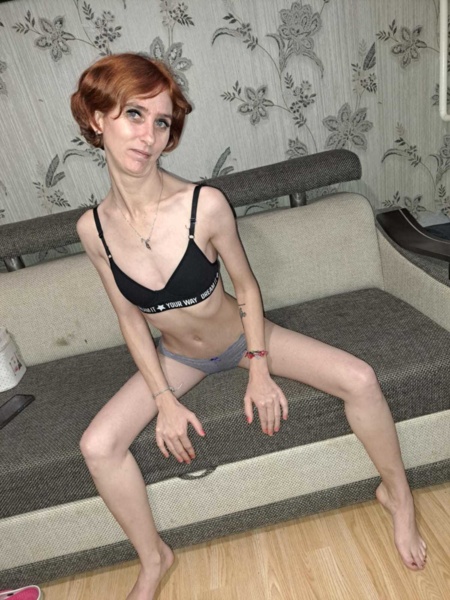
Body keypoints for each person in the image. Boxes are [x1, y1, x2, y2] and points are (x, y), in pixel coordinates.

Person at [71, 53, 426, 600]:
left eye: (161, 122)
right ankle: (154, 557)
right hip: (177, 358)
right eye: (134, 114)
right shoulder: (93, 230)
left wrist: (259, 367)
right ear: (97, 119)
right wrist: (163, 399)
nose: (149, 136)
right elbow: (128, 318)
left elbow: (249, 288)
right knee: (97, 445)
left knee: (360, 378)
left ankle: (398, 495)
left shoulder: (203, 205)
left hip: (239, 338)